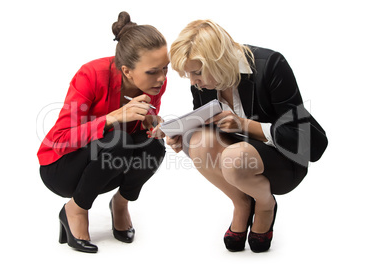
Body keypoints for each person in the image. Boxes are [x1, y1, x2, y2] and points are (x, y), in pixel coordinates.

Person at [167, 19, 328, 253]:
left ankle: (265, 204)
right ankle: (242, 203)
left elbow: (300, 136)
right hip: (235, 159)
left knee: (235, 156)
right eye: (188, 75)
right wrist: (184, 135)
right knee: (198, 141)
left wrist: (246, 125)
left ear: (216, 60)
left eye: (197, 73)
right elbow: (208, 129)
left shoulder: (271, 64)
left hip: (283, 160)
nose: (193, 82)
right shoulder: (203, 84)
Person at [37, 11, 169, 253]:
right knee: (118, 141)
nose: (161, 78)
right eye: (153, 71)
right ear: (128, 71)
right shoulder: (91, 75)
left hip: (106, 168)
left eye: (165, 68)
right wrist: (111, 119)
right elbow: (60, 139)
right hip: (62, 168)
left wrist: (151, 124)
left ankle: (121, 203)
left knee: (154, 146)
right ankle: (75, 209)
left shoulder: (155, 83)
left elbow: (139, 127)